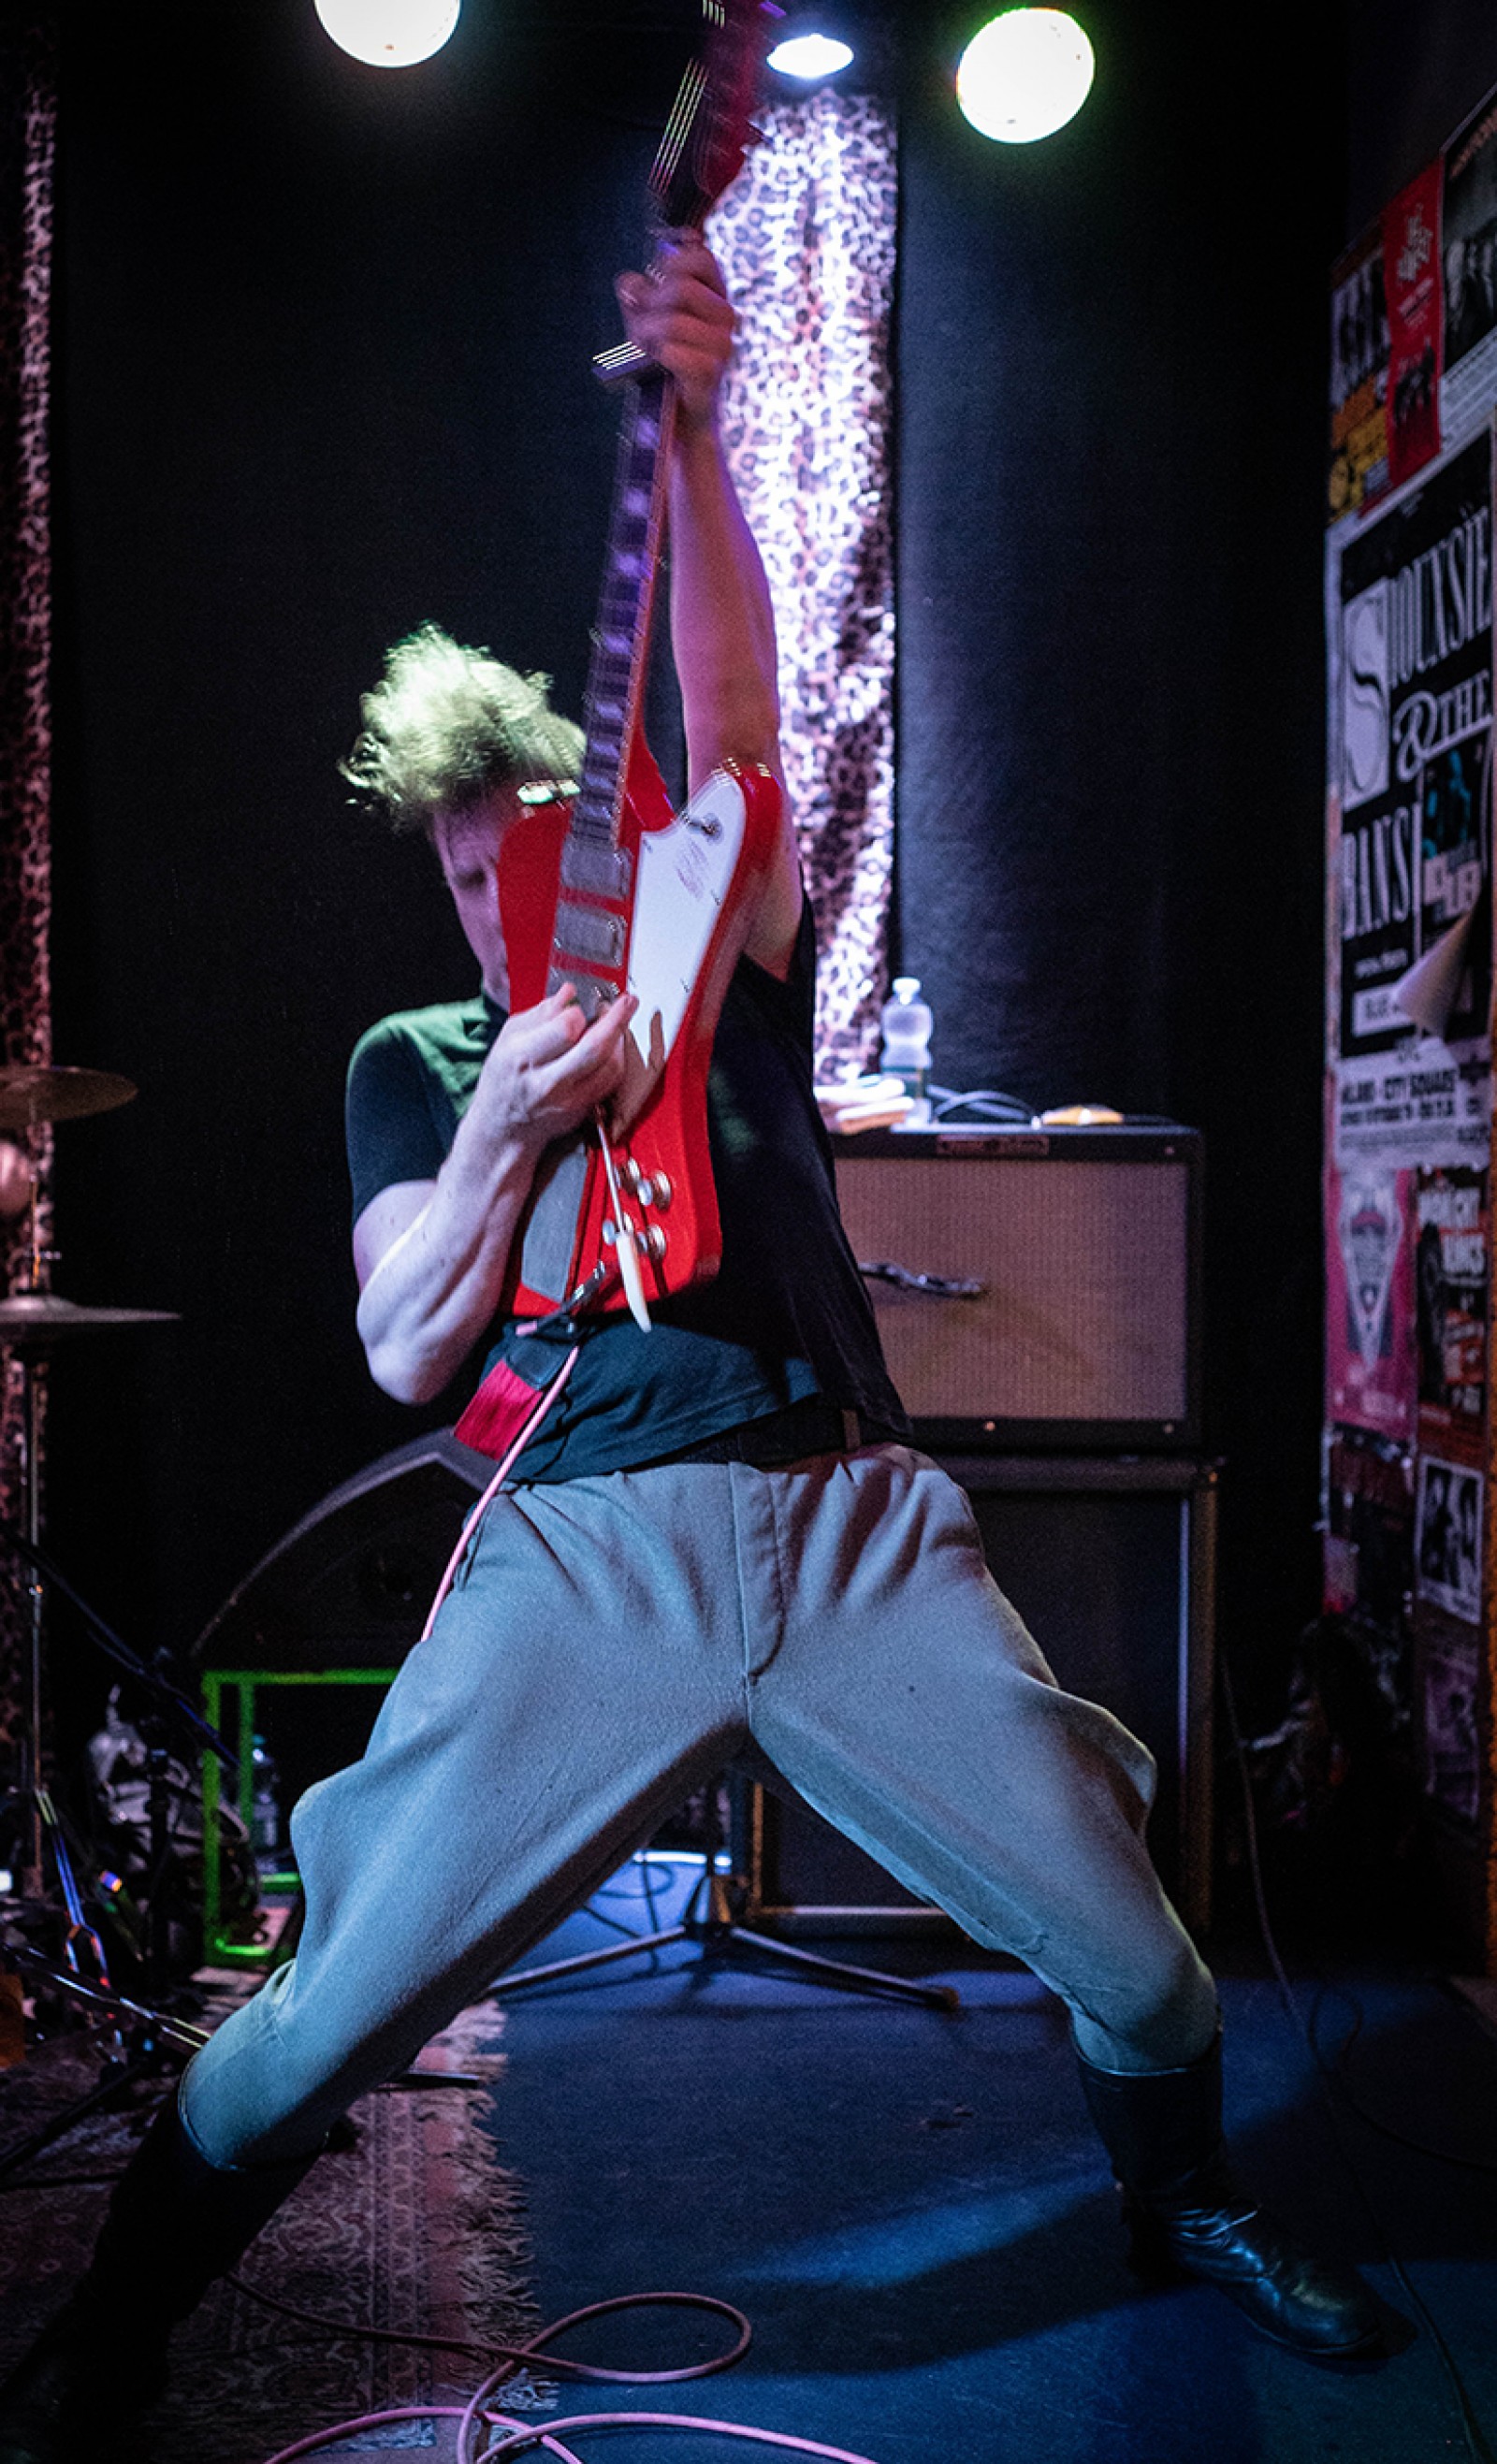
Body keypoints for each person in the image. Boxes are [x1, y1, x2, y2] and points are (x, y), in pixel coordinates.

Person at [0, 237, 1389, 2464]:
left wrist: (704, 418)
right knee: (323, 2012)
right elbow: (401, 1344)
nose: (495, 901)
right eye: (458, 874)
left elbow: (735, 736)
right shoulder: (415, 1061)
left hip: (844, 1521)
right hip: (585, 1556)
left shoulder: (709, 951)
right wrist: (497, 1124)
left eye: (526, 854)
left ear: (598, 841)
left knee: (1137, 1958)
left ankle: (1184, 2205)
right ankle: (117, 2331)